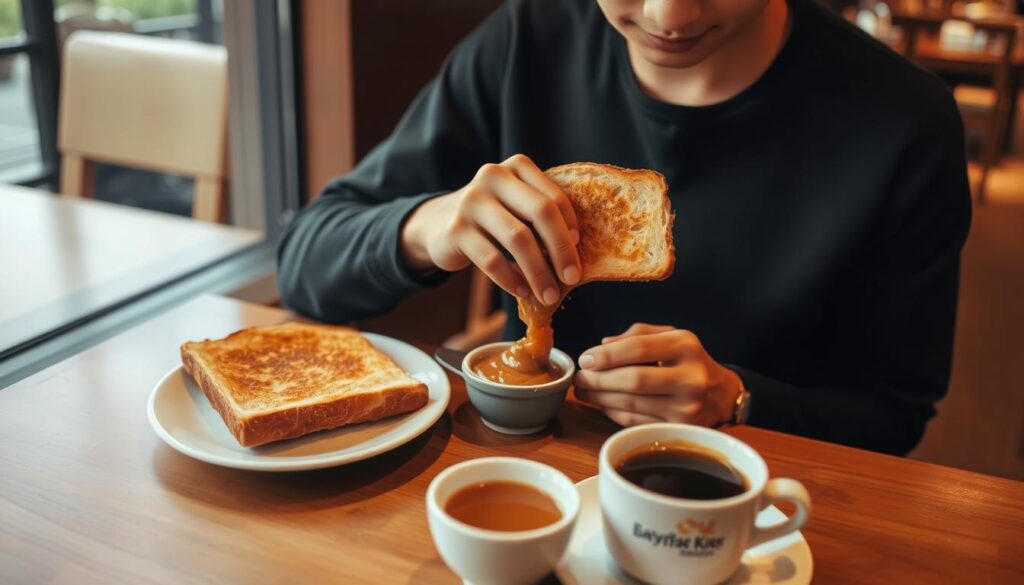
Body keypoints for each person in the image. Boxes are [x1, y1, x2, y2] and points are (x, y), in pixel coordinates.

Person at [277, 0, 971, 455]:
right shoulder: (528, 41)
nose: (668, 14)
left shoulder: (904, 124)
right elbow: (306, 262)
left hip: (758, 509)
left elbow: (894, 410)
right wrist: (429, 225)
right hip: (555, 483)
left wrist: (741, 398)